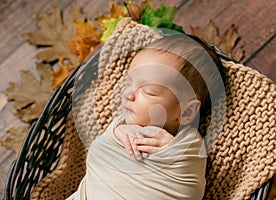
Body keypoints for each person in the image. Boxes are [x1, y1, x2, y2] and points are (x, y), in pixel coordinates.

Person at [67, 34, 225, 200]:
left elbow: (190, 186)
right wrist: (115, 133)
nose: (128, 94)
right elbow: (100, 154)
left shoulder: (188, 144)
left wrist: (171, 150)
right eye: (128, 83)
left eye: (147, 90)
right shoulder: (121, 127)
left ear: (186, 112)